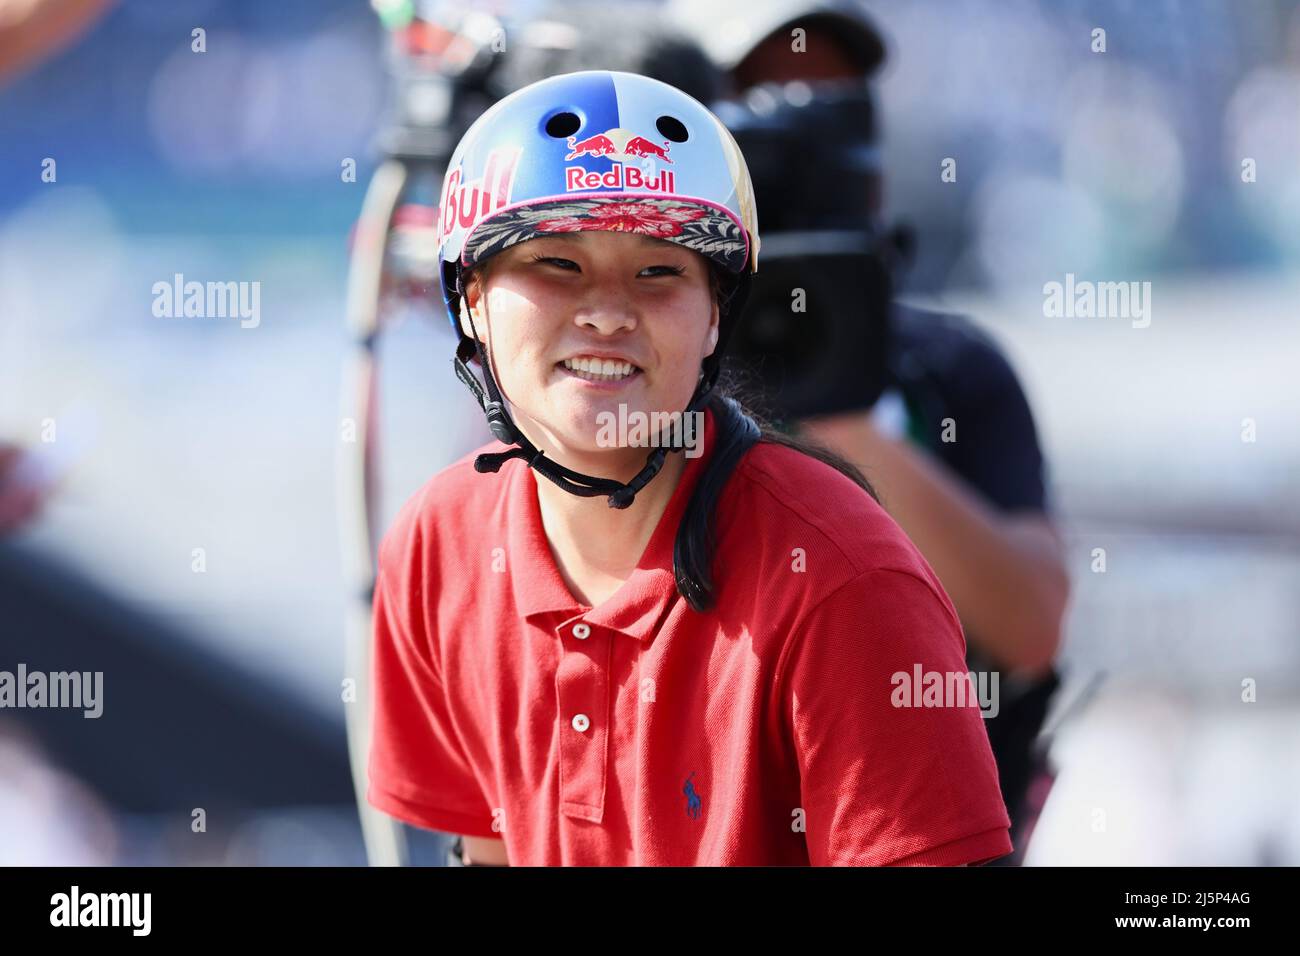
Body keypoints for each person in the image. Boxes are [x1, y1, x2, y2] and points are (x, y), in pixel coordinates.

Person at [365, 68, 1013, 866]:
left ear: (717, 317)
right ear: (470, 301)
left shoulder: (843, 582)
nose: (607, 311)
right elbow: (489, 851)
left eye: (659, 271)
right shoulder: (438, 546)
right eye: (556, 265)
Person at [666, 0, 1071, 863]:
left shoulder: (948, 368)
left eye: (837, 107)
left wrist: (841, 414)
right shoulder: (644, 366)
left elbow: (1030, 628)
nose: (808, 138)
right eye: (766, 108)